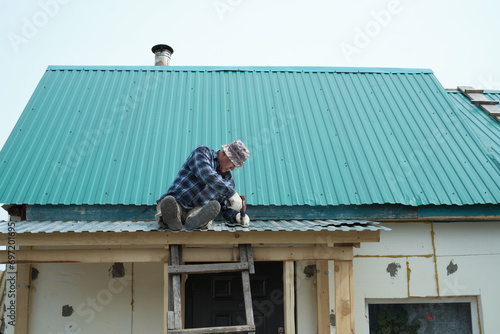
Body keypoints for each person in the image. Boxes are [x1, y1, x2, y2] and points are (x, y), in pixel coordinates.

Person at [156, 139, 250, 230]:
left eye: (236, 166)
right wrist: (230, 193)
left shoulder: (228, 181)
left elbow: (227, 206)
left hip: (198, 210)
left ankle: (194, 222)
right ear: (225, 153)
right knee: (170, 204)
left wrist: (237, 216)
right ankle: (171, 218)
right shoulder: (202, 152)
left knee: (205, 211)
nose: (233, 169)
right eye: (233, 163)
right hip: (177, 201)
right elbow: (206, 174)